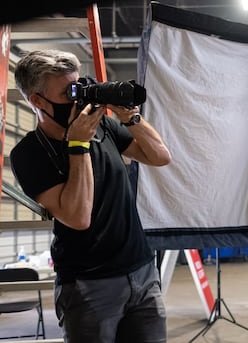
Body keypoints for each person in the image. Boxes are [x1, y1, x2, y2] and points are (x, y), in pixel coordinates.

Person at [10, 49, 172, 342]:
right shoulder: (28, 154)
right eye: (68, 92)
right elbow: (78, 216)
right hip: (89, 285)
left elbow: (159, 156)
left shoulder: (105, 127)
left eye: (80, 86)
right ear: (37, 101)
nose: (79, 99)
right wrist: (78, 146)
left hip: (143, 272)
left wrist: (130, 117)